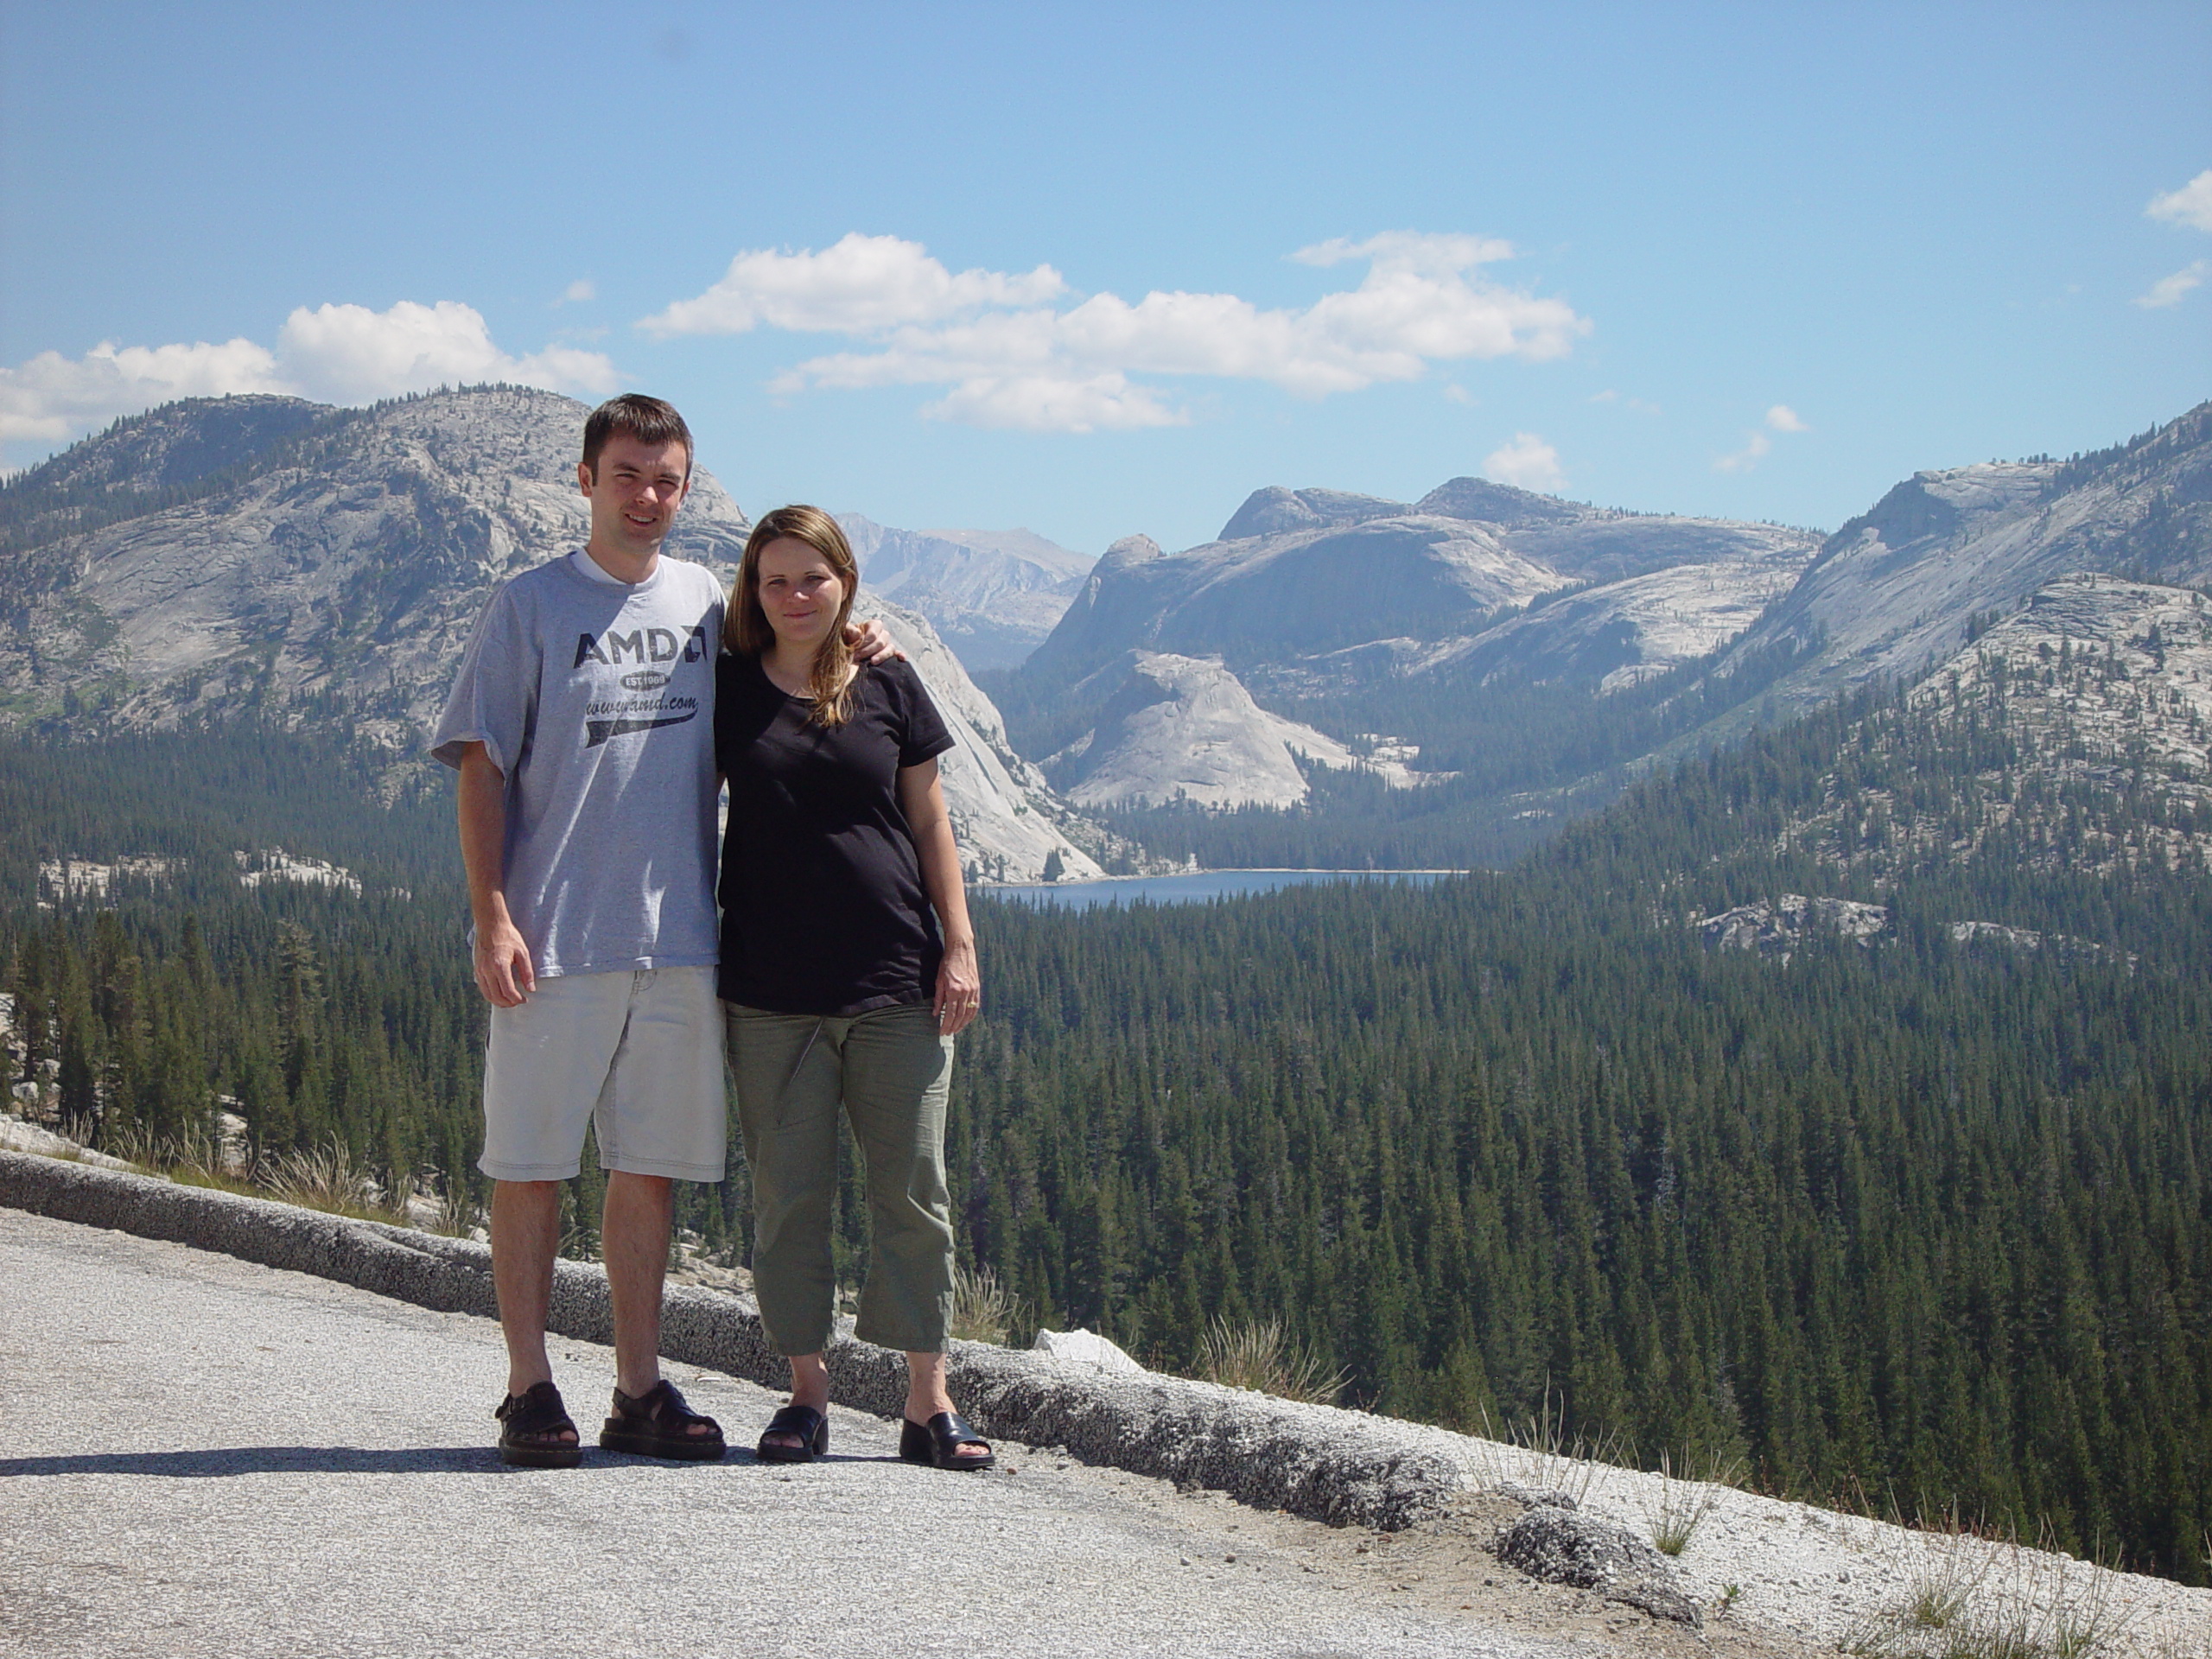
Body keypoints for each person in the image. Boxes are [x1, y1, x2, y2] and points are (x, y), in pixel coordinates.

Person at [431, 398, 891, 1468]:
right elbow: (480, 766)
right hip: (554, 938)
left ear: (687, 489)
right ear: (585, 477)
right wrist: (491, 914)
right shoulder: (529, 604)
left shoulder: (703, 601)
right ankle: (529, 1387)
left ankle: (638, 1390)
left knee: (648, 1171)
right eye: (628, 474)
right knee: (532, 1165)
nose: (648, 496)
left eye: (668, 479)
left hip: (680, 939)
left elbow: (792, 647)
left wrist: (871, 633)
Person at [716, 505, 994, 1471]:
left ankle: (927, 1403)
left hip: (894, 983)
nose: (794, 596)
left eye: (813, 579)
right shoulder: (722, 687)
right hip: (769, 993)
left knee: (913, 1192)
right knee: (788, 1199)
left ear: (847, 584)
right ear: (752, 591)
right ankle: (805, 1395)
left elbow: (930, 826)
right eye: (774, 580)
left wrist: (957, 946)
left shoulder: (888, 680)